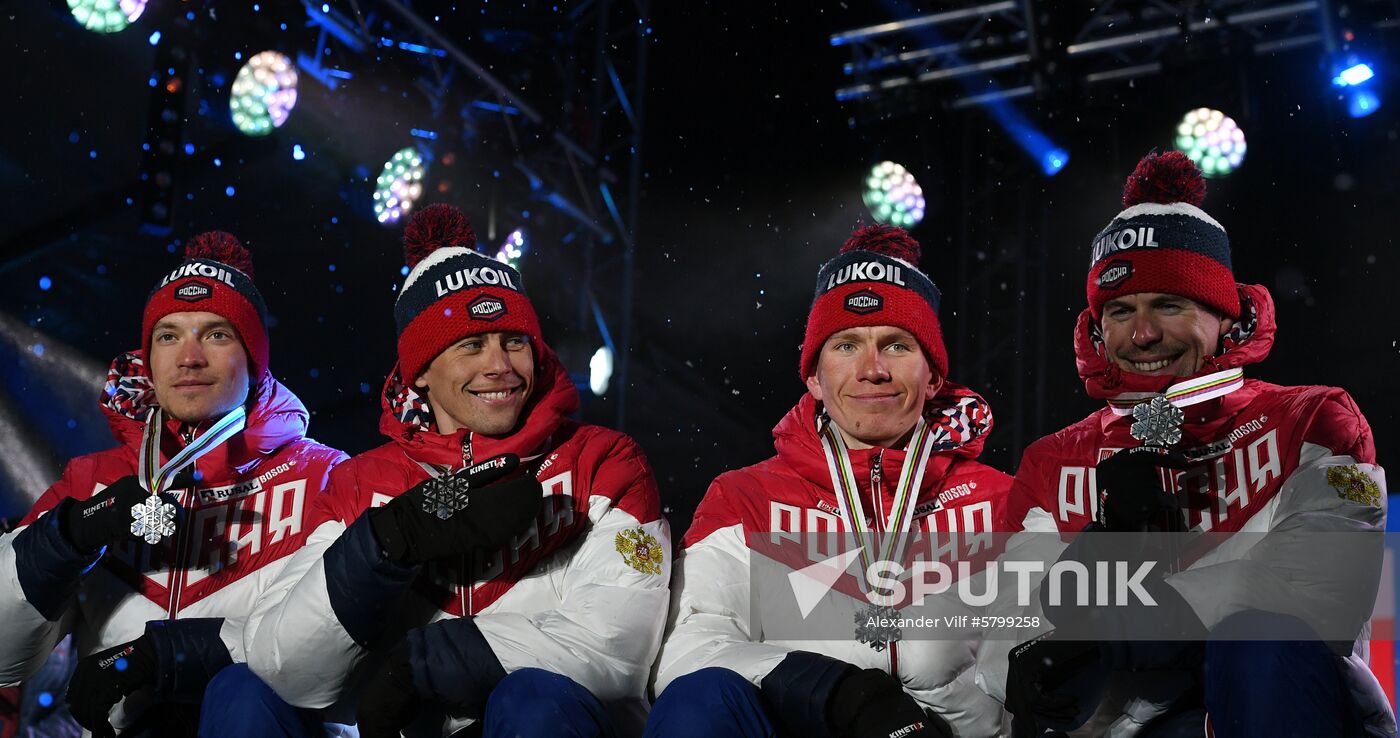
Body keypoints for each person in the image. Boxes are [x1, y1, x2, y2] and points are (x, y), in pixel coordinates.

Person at [223, 204, 669, 738]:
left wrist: (428, 661)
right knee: (241, 690)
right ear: (421, 374)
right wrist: (388, 542)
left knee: (532, 699)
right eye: (471, 345)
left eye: (515, 341)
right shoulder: (359, 484)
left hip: (536, 724)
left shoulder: (604, 461)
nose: (500, 366)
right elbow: (285, 665)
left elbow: (618, 651)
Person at [989, 151, 1395, 737]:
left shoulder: (1310, 418)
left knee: (1257, 640)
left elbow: (1319, 593)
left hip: (1275, 711)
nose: (1144, 333)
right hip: (1124, 730)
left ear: (1224, 315)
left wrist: (1112, 630)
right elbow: (1009, 646)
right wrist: (1104, 542)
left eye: (1169, 305)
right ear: (1098, 329)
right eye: (1121, 310)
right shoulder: (1054, 459)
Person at [649, 224, 1014, 738]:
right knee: (698, 701)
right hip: (807, 726)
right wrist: (832, 691)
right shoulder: (745, 499)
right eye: (846, 345)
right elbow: (688, 646)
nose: (872, 370)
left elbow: (1038, 673)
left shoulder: (1002, 502)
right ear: (814, 377)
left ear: (933, 376)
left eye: (896, 345)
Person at [0, 232, 346, 737]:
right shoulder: (91, 480)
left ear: (254, 358)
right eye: (168, 335)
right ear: (149, 356)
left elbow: (333, 654)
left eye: (216, 334)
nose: (189, 357)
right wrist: (68, 536)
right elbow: (6, 656)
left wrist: (166, 654)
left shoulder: (325, 476)